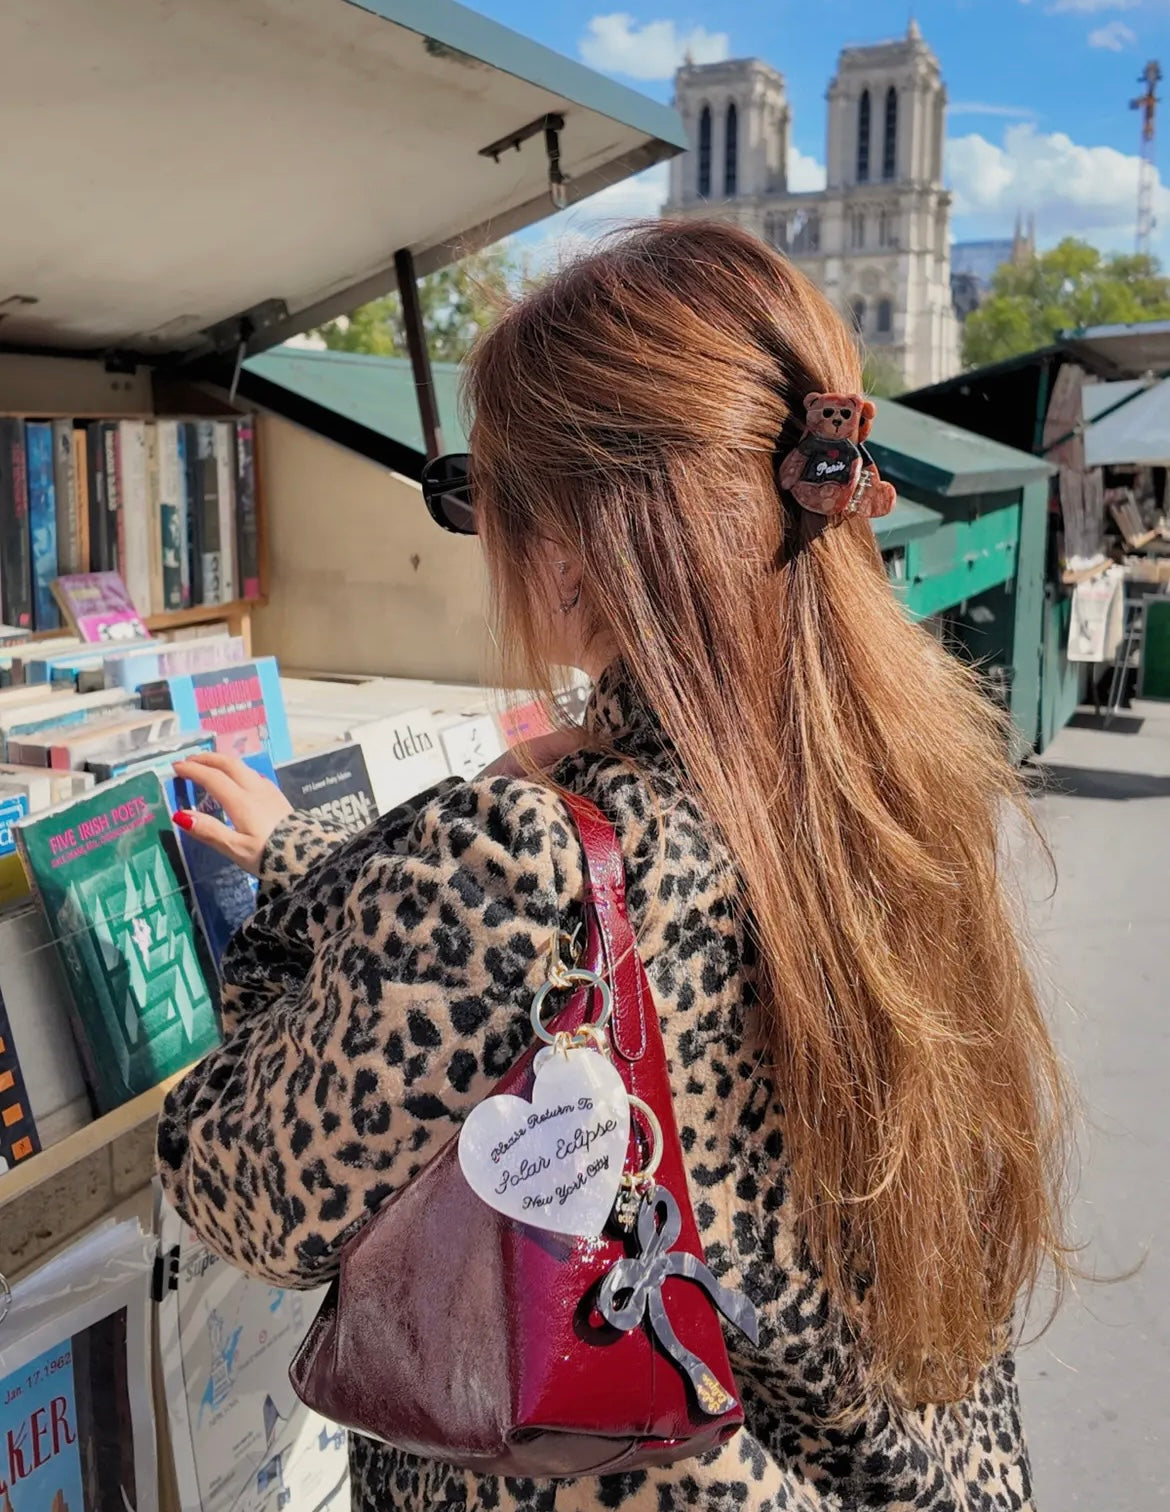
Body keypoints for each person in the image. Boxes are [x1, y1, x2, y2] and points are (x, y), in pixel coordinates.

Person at [158, 220, 1069, 1512]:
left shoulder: (517, 859)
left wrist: (298, 921)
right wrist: (329, 864)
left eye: (479, 497)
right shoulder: (900, 786)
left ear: (576, 547)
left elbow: (245, 1185)